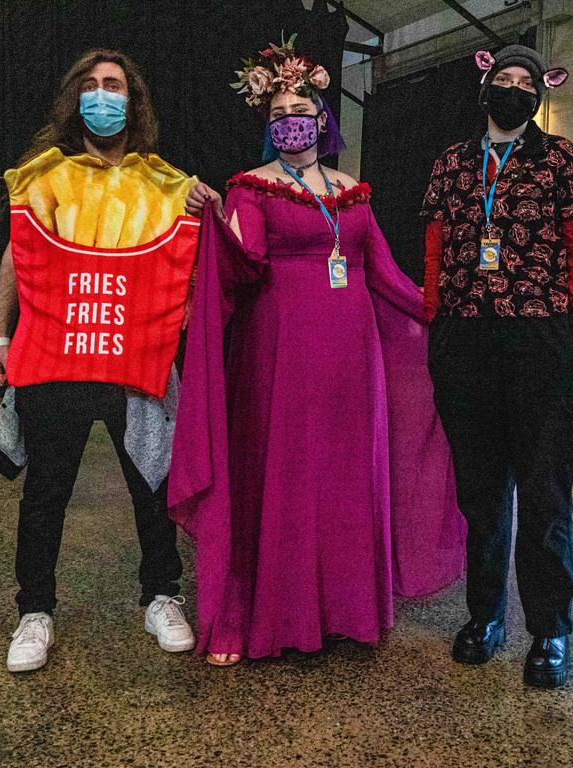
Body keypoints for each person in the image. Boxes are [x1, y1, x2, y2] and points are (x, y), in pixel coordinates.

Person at [169, 36, 465, 666]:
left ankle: (344, 611)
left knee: (342, 481)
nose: (289, 122)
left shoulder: (353, 191)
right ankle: (254, 616)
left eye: (299, 109)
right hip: (279, 356)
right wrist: (216, 218)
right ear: (266, 126)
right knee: (277, 476)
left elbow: (385, 274)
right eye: (276, 115)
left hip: (353, 365)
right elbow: (243, 263)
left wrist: (453, 312)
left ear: (322, 116)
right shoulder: (250, 188)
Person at [0, 49, 216, 673]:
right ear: (74, 100)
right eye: (90, 86)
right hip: (55, 356)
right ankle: (34, 610)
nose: (101, 95)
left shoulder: (163, 182)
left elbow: (193, 261)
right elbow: (16, 258)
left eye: (113, 85)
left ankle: (161, 594)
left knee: (152, 482)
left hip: (133, 357)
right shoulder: (43, 176)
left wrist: (205, 207)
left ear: (132, 100)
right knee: (46, 492)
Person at [420, 45, 573, 688]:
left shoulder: (562, 158)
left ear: (540, 93)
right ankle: (486, 615)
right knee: (482, 494)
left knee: (545, 493)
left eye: (526, 82)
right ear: (485, 86)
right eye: (505, 79)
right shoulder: (452, 163)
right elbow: (435, 244)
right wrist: (437, 313)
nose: (514, 88)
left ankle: (550, 629)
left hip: (543, 338)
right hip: (466, 336)